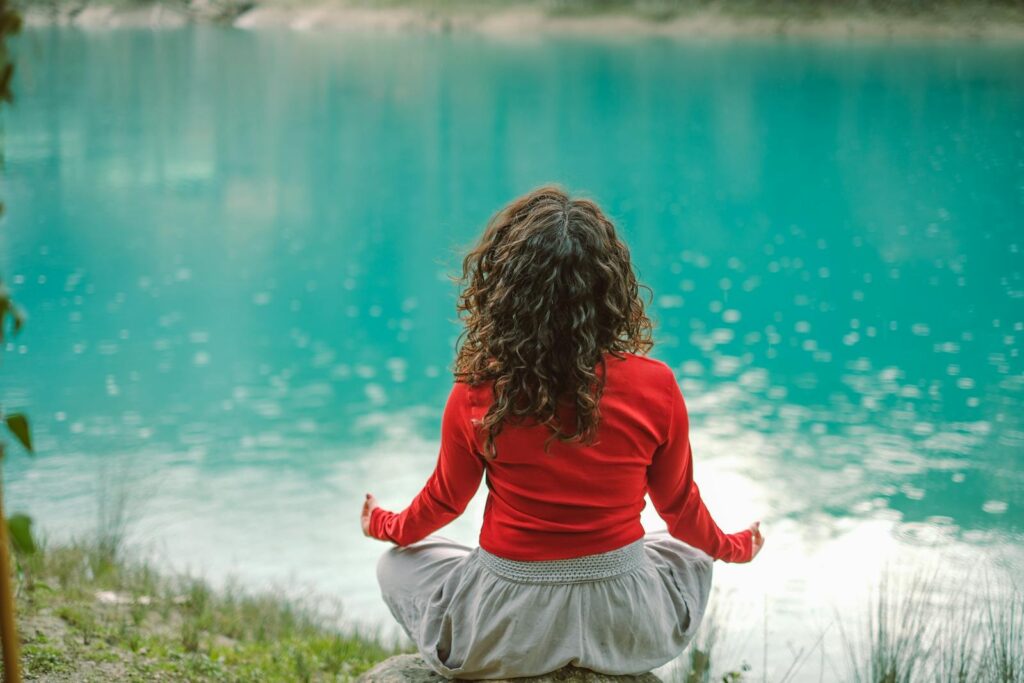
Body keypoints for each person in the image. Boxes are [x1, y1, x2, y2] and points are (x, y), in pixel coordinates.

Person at [360, 185, 765, 679]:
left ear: (504, 291)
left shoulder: (478, 392)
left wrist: (383, 525)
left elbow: (444, 502)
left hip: (508, 628)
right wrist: (733, 547)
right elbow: (680, 511)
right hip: (626, 622)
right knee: (689, 552)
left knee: (395, 566)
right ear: (609, 290)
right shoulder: (657, 385)